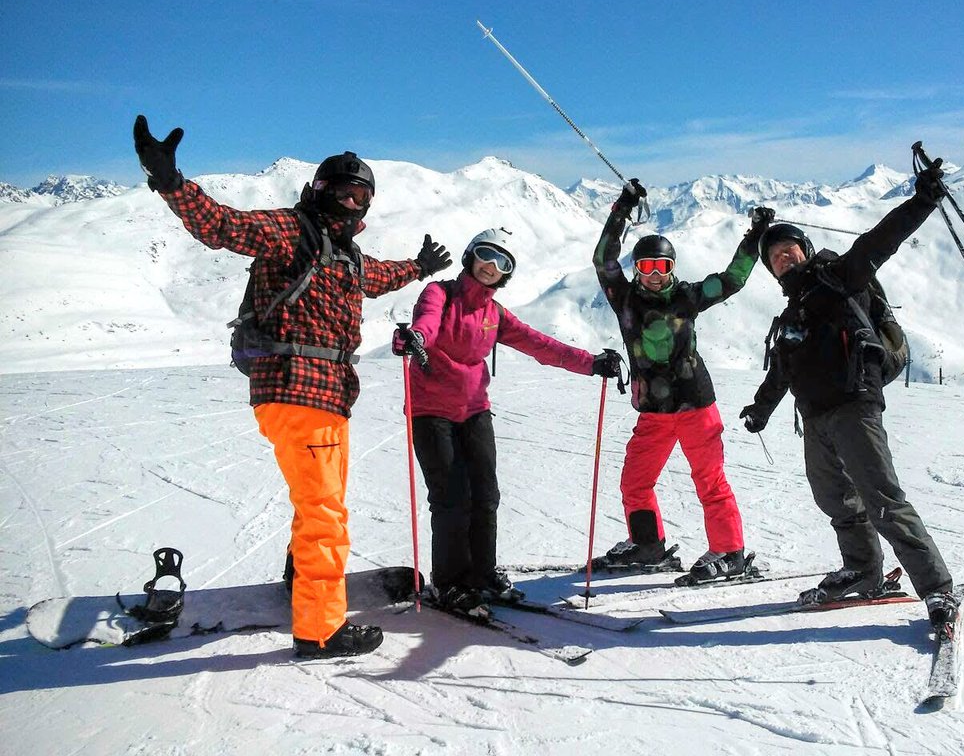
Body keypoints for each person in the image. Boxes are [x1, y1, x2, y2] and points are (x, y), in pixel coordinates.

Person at [132, 115, 454, 659]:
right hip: (299, 391)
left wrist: (418, 267)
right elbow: (224, 226)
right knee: (326, 514)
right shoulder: (291, 230)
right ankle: (320, 626)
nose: (350, 203)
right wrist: (169, 180)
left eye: (361, 195)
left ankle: (299, 577)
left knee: (317, 502)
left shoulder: (346, 254)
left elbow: (377, 276)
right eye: (340, 191)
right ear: (318, 190)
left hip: (324, 398)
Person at [739, 157, 961, 633]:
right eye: (774, 255)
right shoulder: (792, 313)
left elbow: (879, 241)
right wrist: (760, 409)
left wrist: (922, 201)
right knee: (836, 499)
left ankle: (938, 589)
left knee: (883, 499)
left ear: (805, 249)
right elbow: (782, 368)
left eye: (789, 249)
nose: (783, 257)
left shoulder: (840, 276)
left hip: (855, 404)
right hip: (815, 416)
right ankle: (862, 569)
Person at [393, 227, 621, 612]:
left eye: (503, 263)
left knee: (486, 495)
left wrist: (592, 364)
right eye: (487, 255)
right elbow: (427, 324)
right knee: (451, 498)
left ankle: (482, 573)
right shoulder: (440, 294)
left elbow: (539, 344)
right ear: (471, 256)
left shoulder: (494, 313)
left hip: (475, 410)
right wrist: (415, 337)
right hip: (432, 411)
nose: (492, 266)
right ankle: (449, 583)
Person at [590, 178, 774, 584]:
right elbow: (603, 257)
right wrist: (623, 206)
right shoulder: (624, 298)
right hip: (653, 412)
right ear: (636, 270)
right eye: (647, 267)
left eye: (663, 267)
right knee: (635, 482)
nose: (655, 275)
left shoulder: (687, 297)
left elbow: (732, 279)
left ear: (672, 269)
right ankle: (648, 546)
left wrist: (754, 238)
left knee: (709, 479)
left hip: (695, 406)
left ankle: (729, 551)